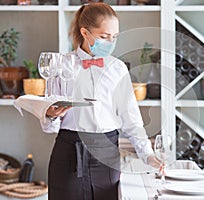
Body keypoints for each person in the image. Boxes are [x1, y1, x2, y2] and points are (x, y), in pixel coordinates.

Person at [40, 2, 161, 200]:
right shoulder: (61, 65)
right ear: (85, 33)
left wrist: (148, 155)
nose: (110, 42)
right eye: (104, 37)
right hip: (69, 153)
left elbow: (131, 120)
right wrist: (49, 115)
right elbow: (50, 127)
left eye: (114, 37)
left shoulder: (118, 68)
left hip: (107, 156)